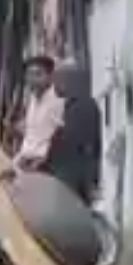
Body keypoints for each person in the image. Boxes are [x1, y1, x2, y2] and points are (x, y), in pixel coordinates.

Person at [43, 61, 103, 204]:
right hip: (69, 178)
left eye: (56, 79)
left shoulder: (81, 106)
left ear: (66, 79)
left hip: (71, 180)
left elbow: (84, 146)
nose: (54, 85)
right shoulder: (72, 105)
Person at [14, 54, 64, 171]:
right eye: (29, 74)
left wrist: (42, 161)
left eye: (38, 74)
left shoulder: (58, 101)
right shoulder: (32, 98)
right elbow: (33, 134)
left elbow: (62, 137)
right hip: (24, 161)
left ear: (50, 76)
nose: (32, 79)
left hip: (44, 166)